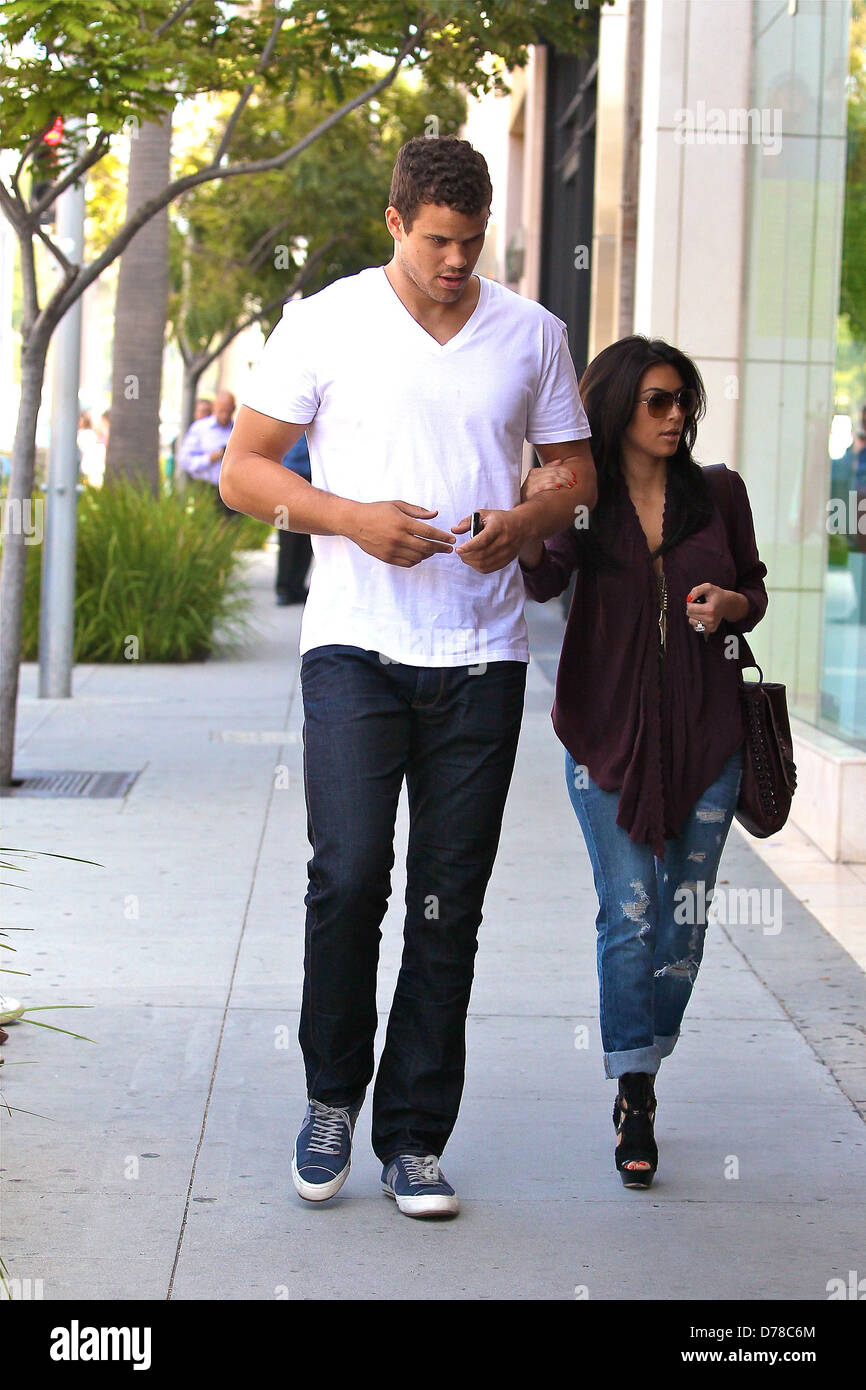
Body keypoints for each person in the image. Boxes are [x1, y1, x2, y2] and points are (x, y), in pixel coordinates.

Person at [220, 135, 596, 1218]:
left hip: (481, 657)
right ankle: (330, 1098)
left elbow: (573, 475)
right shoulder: (326, 322)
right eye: (437, 239)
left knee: (447, 903)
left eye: (471, 241)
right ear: (395, 222)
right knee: (347, 878)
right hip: (354, 646)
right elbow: (244, 471)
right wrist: (351, 520)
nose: (455, 260)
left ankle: (416, 1138)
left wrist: (522, 520)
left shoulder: (532, 333)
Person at [519, 335, 767, 1190]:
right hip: (606, 734)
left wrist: (730, 604)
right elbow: (543, 581)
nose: (674, 415)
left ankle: (644, 1051)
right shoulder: (585, 501)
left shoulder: (719, 493)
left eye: (682, 400)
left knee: (682, 923)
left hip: (707, 734)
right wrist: (527, 521)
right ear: (619, 409)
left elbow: (755, 591)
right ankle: (635, 1091)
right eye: (657, 400)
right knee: (628, 914)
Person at [177, 390, 237, 518]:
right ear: (214, 408)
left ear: (234, 409)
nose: (225, 416)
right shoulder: (200, 428)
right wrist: (210, 458)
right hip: (204, 489)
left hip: (231, 492)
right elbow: (184, 460)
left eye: (228, 411)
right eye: (221, 411)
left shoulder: (237, 430)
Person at [275, 435, 313, 605]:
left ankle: (297, 587)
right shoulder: (292, 426)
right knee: (286, 539)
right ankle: (284, 588)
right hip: (286, 483)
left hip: (311, 482)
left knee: (308, 538)